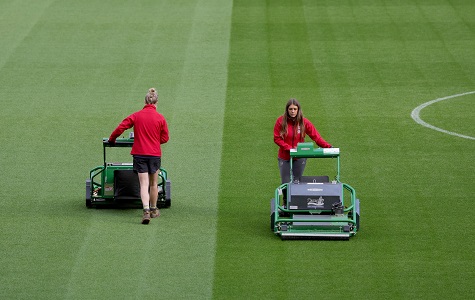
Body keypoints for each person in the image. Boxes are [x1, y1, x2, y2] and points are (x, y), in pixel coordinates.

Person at [109, 88, 169, 224]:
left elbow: (121, 127)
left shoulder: (136, 115)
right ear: (156, 102)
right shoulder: (160, 118)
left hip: (139, 154)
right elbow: (165, 138)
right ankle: (154, 209)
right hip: (154, 154)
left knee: (143, 184)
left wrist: (112, 139)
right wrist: (153, 140)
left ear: (145, 101)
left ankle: (146, 210)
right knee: (154, 184)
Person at [274, 98, 332, 184]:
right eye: (290, 109)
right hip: (284, 157)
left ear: (298, 110)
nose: (292, 111)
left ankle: (295, 197)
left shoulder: (304, 122)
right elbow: (277, 138)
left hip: (300, 156)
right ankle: (286, 198)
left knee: (297, 182)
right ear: (287, 110)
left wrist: (329, 147)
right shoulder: (280, 121)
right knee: (285, 182)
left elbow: (316, 137)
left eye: (295, 109)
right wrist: (290, 148)